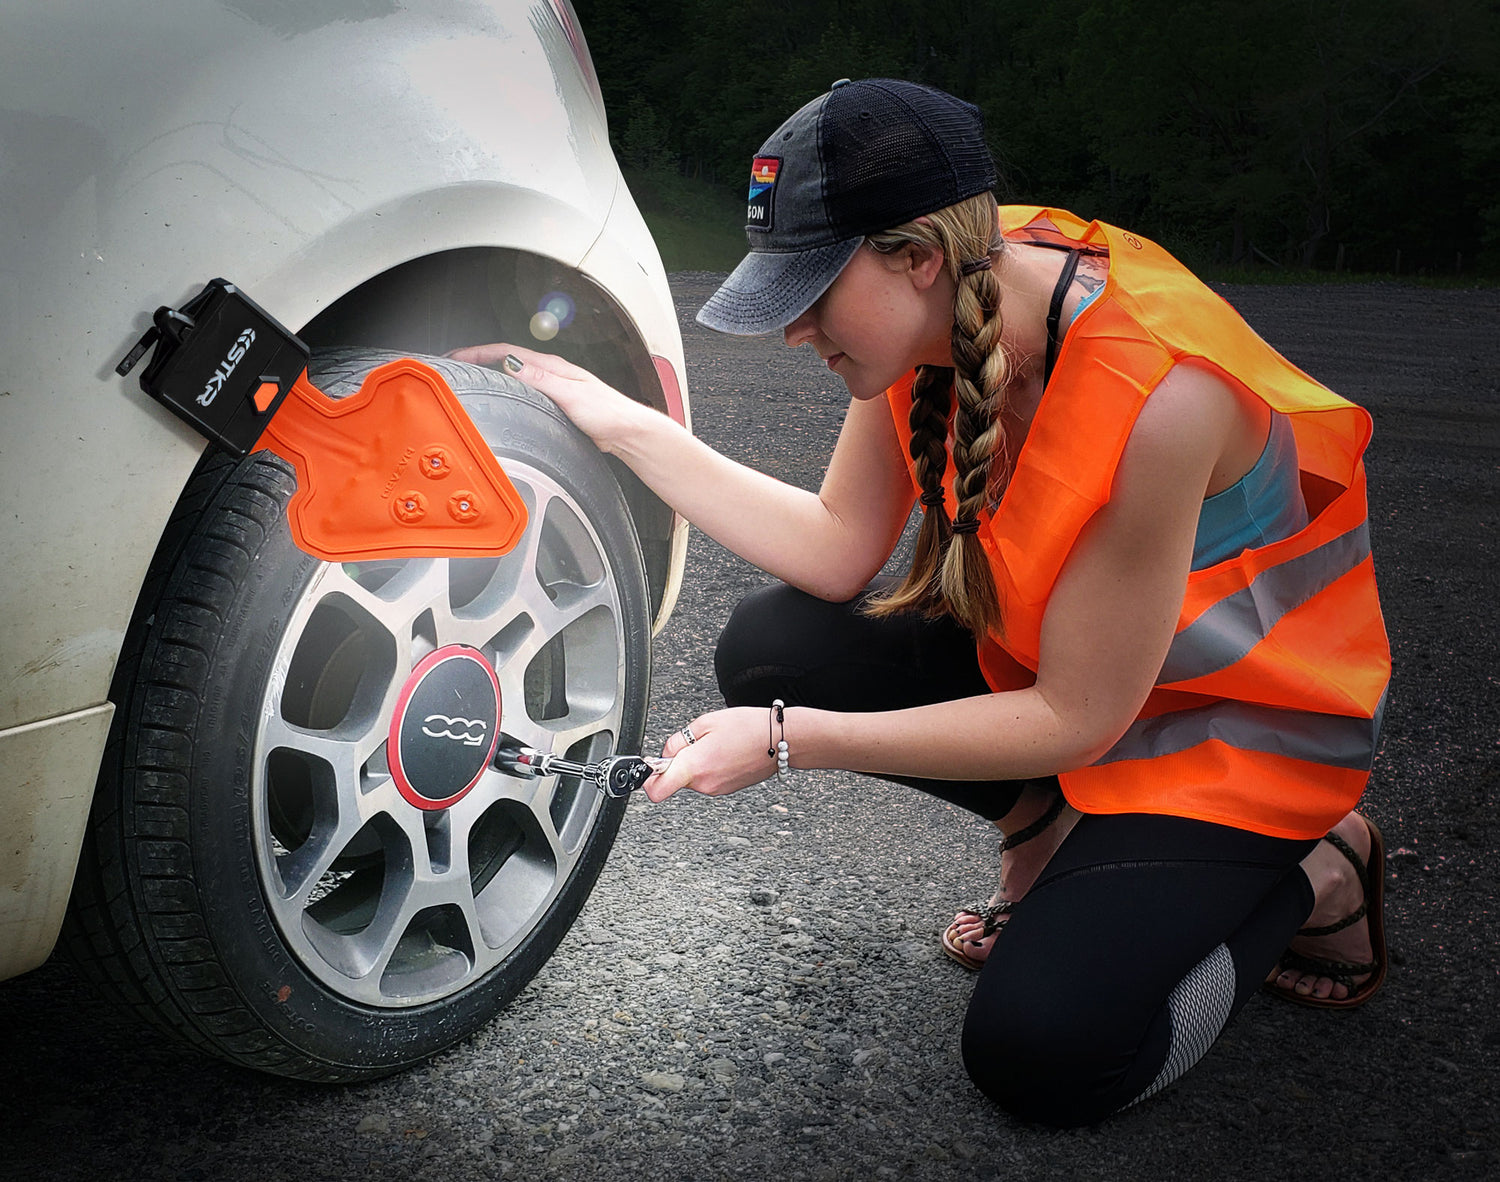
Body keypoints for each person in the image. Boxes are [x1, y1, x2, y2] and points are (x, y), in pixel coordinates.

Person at [450, 78, 1390, 1127]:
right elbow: (836, 548)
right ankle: (1049, 831)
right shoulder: (953, 296)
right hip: (1076, 681)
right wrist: (620, 424)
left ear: (917, 257)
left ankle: (1321, 871)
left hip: (1232, 738)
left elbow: (1082, 716)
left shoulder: (1162, 399)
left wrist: (791, 740)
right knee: (774, 644)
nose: (793, 331)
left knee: (1049, 1055)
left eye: (810, 292)